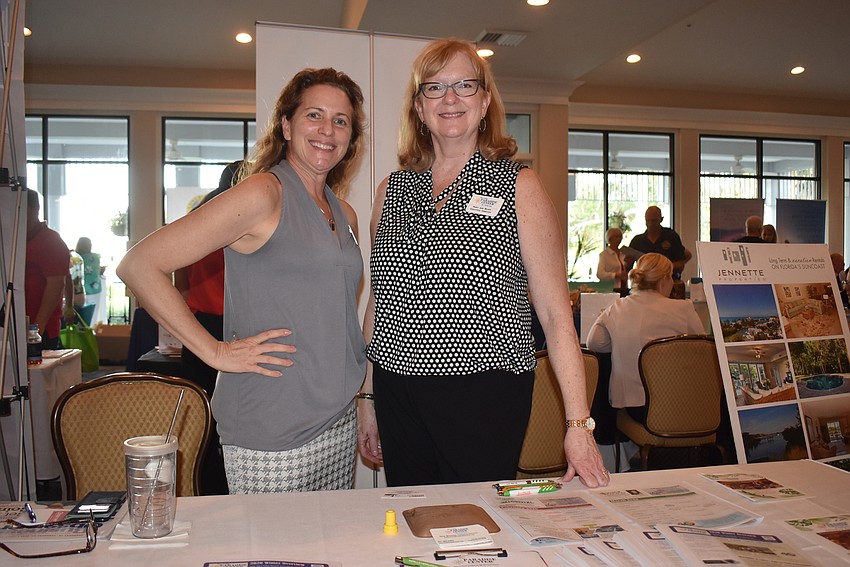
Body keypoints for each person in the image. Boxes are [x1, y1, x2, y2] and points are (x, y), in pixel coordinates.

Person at [358, 38, 608, 488]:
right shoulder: (390, 190)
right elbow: (380, 302)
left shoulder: (518, 186)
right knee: (413, 518)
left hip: (483, 390)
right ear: (418, 107)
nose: (450, 98)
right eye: (434, 88)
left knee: (474, 529)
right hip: (397, 389)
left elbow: (554, 314)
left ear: (485, 100)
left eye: (464, 86)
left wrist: (578, 426)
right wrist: (368, 396)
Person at [118, 68, 367, 494]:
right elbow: (139, 265)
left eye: (340, 120)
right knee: (273, 559)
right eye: (314, 115)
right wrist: (215, 351)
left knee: (326, 554)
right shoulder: (262, 194)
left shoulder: (343, 214)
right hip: (272, 430)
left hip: (338, 422)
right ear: (287, 125)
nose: (328, 130)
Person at [172, 161, 243, 495]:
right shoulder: (235, 219)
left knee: (201, 416)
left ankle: (202, 486)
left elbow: (178, 273)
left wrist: (188, 299)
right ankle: (225, 487)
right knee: (230, 419)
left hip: (200, 326)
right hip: (230, 328)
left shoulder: (199, 216)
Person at [587, 253, 704, 424]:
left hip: (635, 407)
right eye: (671, 277)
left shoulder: (618, 307)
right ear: (664, 279)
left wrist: (623, 342)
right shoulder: (683, 308)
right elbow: (702, 350)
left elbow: (594, 343)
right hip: (680, 406)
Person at [25, 189, 71, 350]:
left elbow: (56, 284)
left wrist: (37, 327)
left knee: (37, 372)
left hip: (38, 329)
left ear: (32, 209)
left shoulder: (50, 241)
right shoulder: (18, 240)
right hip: (17, 323)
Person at [626, 205, 691, 281]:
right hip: (645, 284)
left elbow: (681, 264)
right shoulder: (637, 241)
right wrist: (628, 263)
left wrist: (662, 267)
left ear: (661, 219)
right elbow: (628, 269)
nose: (650, 224)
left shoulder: (671, 236)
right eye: (648, 220)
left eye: (653, 221)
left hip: (667, 282)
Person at [75, 237, 107, 325]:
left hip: (84, 290)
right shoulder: (95, 257)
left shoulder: (76, 257)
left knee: (83, 316)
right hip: (92, 289)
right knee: (92, 315)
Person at [596, 227, 628, 292]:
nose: (619, 239)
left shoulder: (624, 253)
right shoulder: (604, 255)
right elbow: (600, 274)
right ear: (610, 238)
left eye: (620, 237)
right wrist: (615, 275)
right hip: (610, 288)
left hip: (623, 287)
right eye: (616, 237)